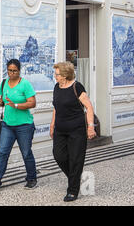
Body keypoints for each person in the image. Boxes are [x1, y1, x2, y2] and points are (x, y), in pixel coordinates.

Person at [0, 59, 37, 191]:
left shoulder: (25, 84)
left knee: (26, 153)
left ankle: (31, 178)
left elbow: (32, 103)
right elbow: (3, 102)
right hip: (7, 125)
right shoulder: (4, 83)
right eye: (9, 70)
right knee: (2, 152)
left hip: (24, 125)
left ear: (19, 70)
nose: (11, 73)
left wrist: (17, 105)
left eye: (14, 71)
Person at [50, 62, 96, 202]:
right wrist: (52, 125)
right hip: (60, 129)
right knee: (59, 155)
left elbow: (88, 107)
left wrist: (90, 126)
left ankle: (72, 190)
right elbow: (56, 107)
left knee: (76, 159)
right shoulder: (57, 87)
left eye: (57, 74)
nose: (55, 76)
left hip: (77, 130)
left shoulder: (77, 87)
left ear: (65, 75)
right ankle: (74, 178)